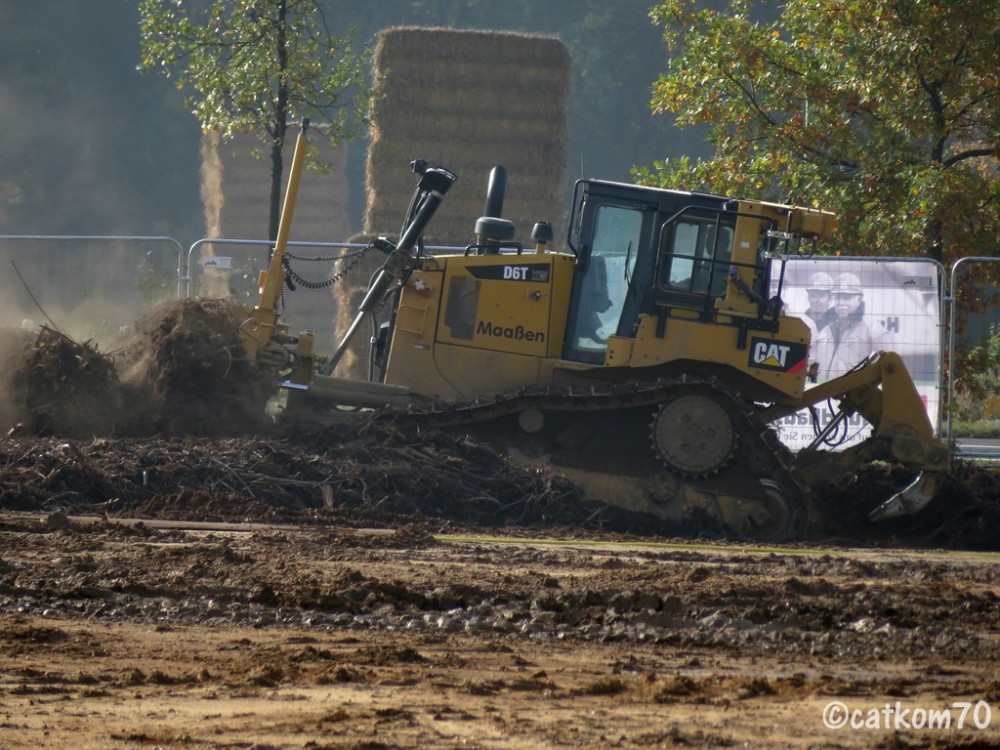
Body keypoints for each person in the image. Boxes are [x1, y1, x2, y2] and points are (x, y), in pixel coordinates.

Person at [814, 272, 878, 380]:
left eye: (847, 297)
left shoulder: (872, 331)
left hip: (855, 395)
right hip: (824, 394)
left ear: (859, 299)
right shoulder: (825, 332)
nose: (841, 303)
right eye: (838, 298)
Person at [802, 271, 837, 338]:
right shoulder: (802, 321)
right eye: (812, 295)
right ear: (808, 298)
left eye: (821, 296)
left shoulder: (838, 322)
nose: (816, 300)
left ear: (830, 299)